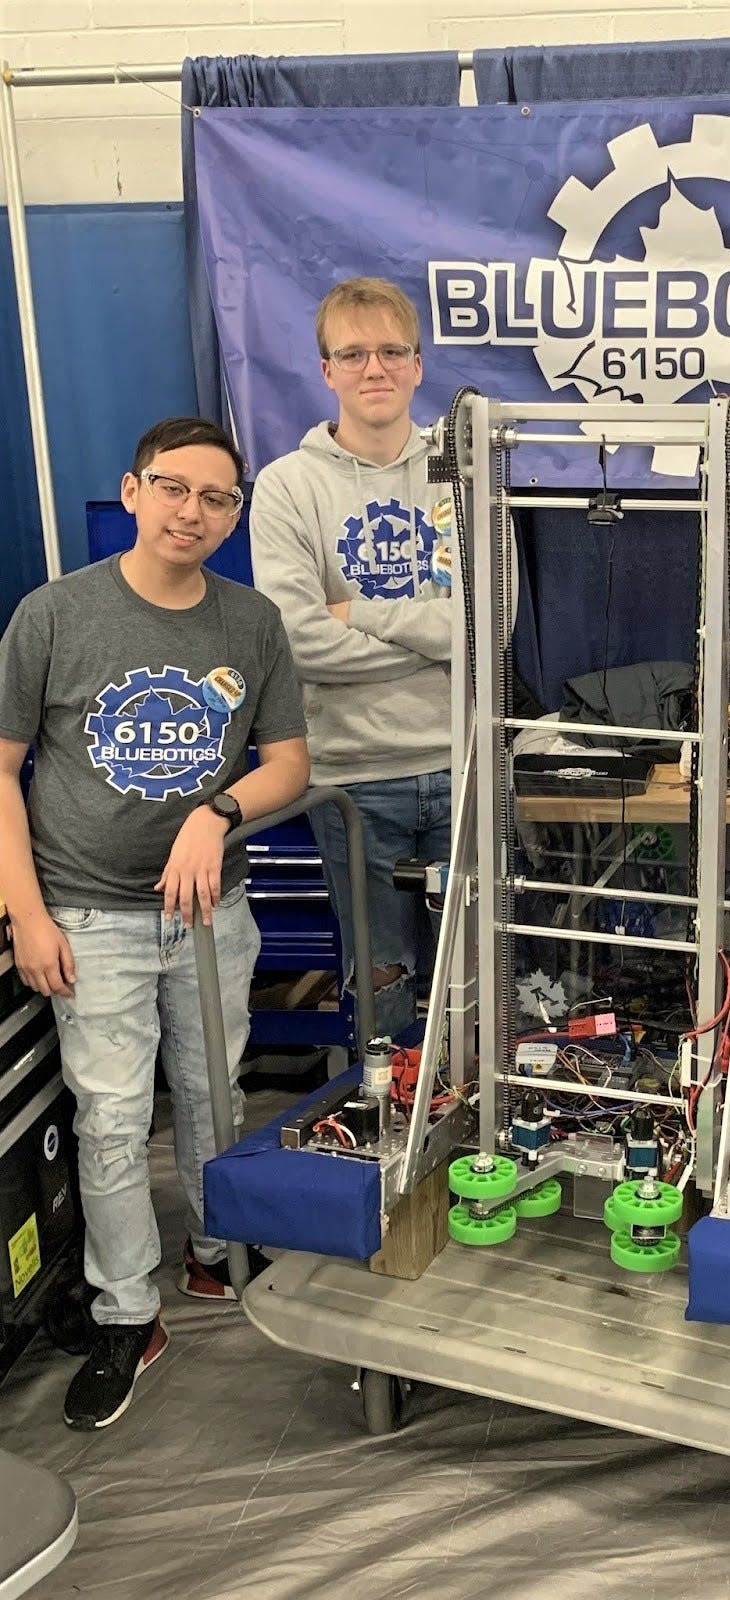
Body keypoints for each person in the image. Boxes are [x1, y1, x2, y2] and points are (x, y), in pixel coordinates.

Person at [0, 417, 309, 1430]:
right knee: (113, 1120)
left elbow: (287, 765)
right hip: (89, 912)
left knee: (216, 1095)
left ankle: (217, 1255)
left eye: (218, 499)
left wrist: (214, 813)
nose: (195, 512)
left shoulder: (251, 623)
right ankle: (129, 1312)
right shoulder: (54, 615)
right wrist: (29, 914)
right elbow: (1, 772)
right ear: (133, 492)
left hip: (210, 914)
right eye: (175, 489)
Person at [250, 277, 455, 1043]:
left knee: (478, 982)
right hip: (354, 783)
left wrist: (359, 614)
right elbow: (297, 640)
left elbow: (487, 630)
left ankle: (477, 1149)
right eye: (354, 353)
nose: (376, 367)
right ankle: (395, 1139)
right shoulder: (286, 487)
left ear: (417, 364)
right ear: (327, 369)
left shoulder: (464, 475)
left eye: (392, 351)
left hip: (464, 773)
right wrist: (428, 637)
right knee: (384, 983)